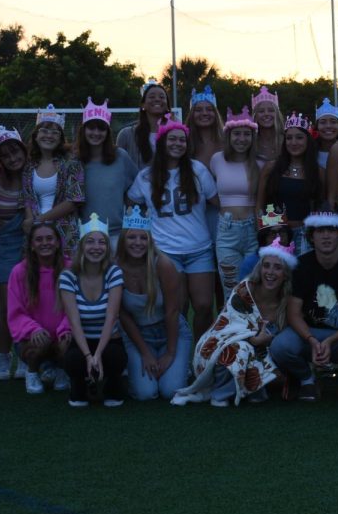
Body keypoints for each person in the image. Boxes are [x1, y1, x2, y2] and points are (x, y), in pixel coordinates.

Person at [269, 212, 338, 401]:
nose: (326, 236)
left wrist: (331, 341)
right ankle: (307, 380)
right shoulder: (301, 265)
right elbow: (293, 313)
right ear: (311, 236)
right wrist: (311, 339)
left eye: (331, 230)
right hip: (310, 334)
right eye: (320, 231)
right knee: (280, 346)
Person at [127, 115, 219, 340]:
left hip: (199, 248)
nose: (178, 144)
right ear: (161, 142)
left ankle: (201, 354)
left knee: (204, 305)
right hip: (165, 250)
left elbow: (217, 203)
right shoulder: (146, 176)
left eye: (182, 140)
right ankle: (180, 352)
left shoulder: (197, 170)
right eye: (172, 139)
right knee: (176, 306)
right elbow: (132, 202)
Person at [176, 237, 296, 407]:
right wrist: (254, 340)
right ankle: (221, 394)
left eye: (278, 268)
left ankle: (248, 387)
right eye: (266, 265)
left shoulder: (288, 301)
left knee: (271, 370)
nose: (270, 272)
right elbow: (226, 327)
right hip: (225, 343)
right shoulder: (245, 289)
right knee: (238, 349)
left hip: (266, 355)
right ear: (260, 268)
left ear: (285, 275)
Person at [115, 206, 192, 402]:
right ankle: (130, 373)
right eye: (132, 237)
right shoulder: (115, 268)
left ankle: (179, 364)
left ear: (150, 240)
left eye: (143, 238)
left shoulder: (163, 264)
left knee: (170, 391)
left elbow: (173, 311)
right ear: (123, 239)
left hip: (170, 332)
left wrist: (170, 353)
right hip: (139, 335)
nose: (138, 243)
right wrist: (145, 353)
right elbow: (122, 315)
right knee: (146, 394)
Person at [58, 214, 127, 407]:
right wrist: (89, 356)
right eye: (90, 242)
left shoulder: (114, 272)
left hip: (109, 339)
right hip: (82, 340)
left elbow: (111, 317)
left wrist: (98, 354)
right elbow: (74, 321)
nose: (96, 247)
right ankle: (79, 384)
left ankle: (112, 384)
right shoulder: (68, 276)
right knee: (74, 359)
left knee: (114, 357)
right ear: (81, 246)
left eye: (101, 243)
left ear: (107, 248)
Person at [0, 127, 29, 381]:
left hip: (32, 242)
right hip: (4, 244)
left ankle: (25, 356)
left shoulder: (33, 175)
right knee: (7, 305)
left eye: (16, 152)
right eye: (6, 155)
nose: (13, 159)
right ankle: (3, 356)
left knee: (30, 301)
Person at [6, 220, 72, 394]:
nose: (45, 243)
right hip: (35, 338)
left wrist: (66, 328)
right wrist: (32, 329)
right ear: (32, 245)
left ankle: (61, 370)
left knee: (69, 342)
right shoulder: (19, 271)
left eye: (50, 238)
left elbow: (77, 306)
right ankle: (32, 372)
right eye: (39, 239)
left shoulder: (70, 269)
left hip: (61, 335)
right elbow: (15, 311)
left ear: (58, 243)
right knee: (39, 342)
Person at [210, 108, 263, 292]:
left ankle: (254, 322)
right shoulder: (217, 160)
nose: (242, 139)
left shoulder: (260, 163)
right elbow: (210, 193)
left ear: (253, 137)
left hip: (253, 230)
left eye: (247, 134)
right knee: (231, 286)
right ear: (228, 136)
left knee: (253, 287)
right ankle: (231, 321)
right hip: (227, 230)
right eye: (237, 134)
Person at [22, 104, 85, 259]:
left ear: (61, 138)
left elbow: (74, 200)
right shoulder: (29, 165)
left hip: (64, 231)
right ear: (36, 136)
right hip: (37, 235)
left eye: (54, 132)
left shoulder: (71, 163)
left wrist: (41, 220)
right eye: (44, 130)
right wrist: (30, 219)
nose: (49, 135)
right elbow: (27, 198)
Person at [256, 113, 323, 253]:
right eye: (289, 138)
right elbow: (259, 205)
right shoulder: (271, 168)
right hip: (276, 233)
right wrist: (262, 232)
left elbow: (321, 205)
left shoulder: (318, 172)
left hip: (306, 235)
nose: (293, 142)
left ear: (308, 140)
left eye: (299, 137)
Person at [77, 98, 138, 250]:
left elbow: (135, 190)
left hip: (116, 235)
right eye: (91, 128)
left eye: (101, 129)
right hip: (86, 235)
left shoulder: (121, 157)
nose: (96, 133)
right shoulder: (75, 162)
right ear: (83, 130)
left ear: (108, 132)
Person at [116, 79, 171, 168]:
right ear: (143, 105)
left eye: (161, 97)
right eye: (152, 97)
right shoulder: (126, 135)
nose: (157, 99)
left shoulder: (176, 134)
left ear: (168, 106)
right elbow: (119, 167)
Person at [188, 85, 225, 167]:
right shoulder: (184, 142)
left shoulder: (227, 141)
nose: (204, 113)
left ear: (215, 113)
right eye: (198, 110)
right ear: (192, 114)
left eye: (209, 109)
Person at [251, 86, 285, 163]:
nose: (266, 114)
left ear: (277, 114)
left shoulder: (286, 140)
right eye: (261, 111)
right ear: (255, 115)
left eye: (271, 110)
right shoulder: (249, 141)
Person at [313, 97, 338, 169]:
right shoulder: (310, 152)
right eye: (323, 122)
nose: (328, 126)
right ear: (317, 126)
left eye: (333, 122)